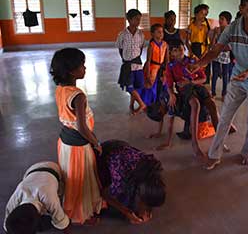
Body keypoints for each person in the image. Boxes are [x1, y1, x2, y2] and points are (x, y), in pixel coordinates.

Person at [191, 0, 248, 169]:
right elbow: (216, 50)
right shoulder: (232, 28)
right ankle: (214, 155)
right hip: (238, 77)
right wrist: (200, 63)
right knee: (225, 117)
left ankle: (247, 152)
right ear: (241, 9)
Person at [50, 48, 103, 224]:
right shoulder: (78, 96)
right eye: (82, 65)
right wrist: (96, 142)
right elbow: (82, 127)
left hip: (65, 142)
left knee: (70, 178)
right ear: (72, 71)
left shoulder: (61, 89)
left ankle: (73, 206)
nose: (85, 68)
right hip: (79, 147)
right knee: (82, 178)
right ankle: (81, 213)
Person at [165, 40, 218, 157]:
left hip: (196, 86)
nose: (178, 52)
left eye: (180, 48)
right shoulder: (171, 66)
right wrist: (171, 94)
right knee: (195, 104)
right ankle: (195, 144)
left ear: (184, 48)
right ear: (171, 53)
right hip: (185, 90)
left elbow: (203, 78)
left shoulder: (192, 61)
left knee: (212, 104)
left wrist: (192, 81)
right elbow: (168, 84)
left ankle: (219, 140)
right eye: (175, 50)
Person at [97, 139, 166, 224]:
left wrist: (147, 209)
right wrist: (127, 212)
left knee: (130, 197)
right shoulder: (121, 175)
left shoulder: (152, 172)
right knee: (112, 205)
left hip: (121, 148)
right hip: (104, 155)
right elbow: (104, 194)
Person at [4, 162, 71, 234]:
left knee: (53, 221)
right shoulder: (17, 194)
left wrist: (65, 225)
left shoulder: (49, 198)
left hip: (52, 167)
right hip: (32, 169)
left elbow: (60, 219)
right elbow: (8, 224)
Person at [117, 9, 146, 115]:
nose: (138, 21)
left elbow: (141, 48)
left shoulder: (141, 35)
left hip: (137, 66)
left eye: (139, 19)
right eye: (136, 19)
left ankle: (131, 104)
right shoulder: (122, 35)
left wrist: (135, 59)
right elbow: (120, 49)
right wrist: (126, 60)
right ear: (129, 20)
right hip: (127, 65)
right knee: (129, 87)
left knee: (137, 86)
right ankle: (142, 104)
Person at [140, 23, 169, 106]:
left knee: (163, 84)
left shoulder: (165, 45)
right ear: (152, 34)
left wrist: (167, 71)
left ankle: (161, 102)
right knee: (150, 85)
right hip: (152, 68)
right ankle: (149, 103)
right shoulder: (151, 45)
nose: (161, 34)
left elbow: (167, 60)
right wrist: (148, 74)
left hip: (161, 68)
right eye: (158, 32)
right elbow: (148, 60)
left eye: (162, 32)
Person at [211, 11, 234, 100]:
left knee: (225, 75)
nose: (220, 21)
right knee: (215, 74)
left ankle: (224, 93)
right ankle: (213, 92)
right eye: (219, 18)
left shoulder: (230, 32)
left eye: (222, 19)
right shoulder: (216, 30)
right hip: (216, 56)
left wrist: (219, 47)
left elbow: (229, 47)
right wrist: (215, 35)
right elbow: (213, 45)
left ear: (227, 21)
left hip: (225, 58)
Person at [186, 4, 211, 84]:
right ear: (196, 14)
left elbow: (208, 43)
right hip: (194, 49)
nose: (203, 16)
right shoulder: (191, 26)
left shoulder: (205, 28)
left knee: (202, 72)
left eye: (205, 14)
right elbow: (187, 42)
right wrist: (192, 54)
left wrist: (204, 54)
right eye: (201, 13)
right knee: (193, 71)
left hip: (203, 51)